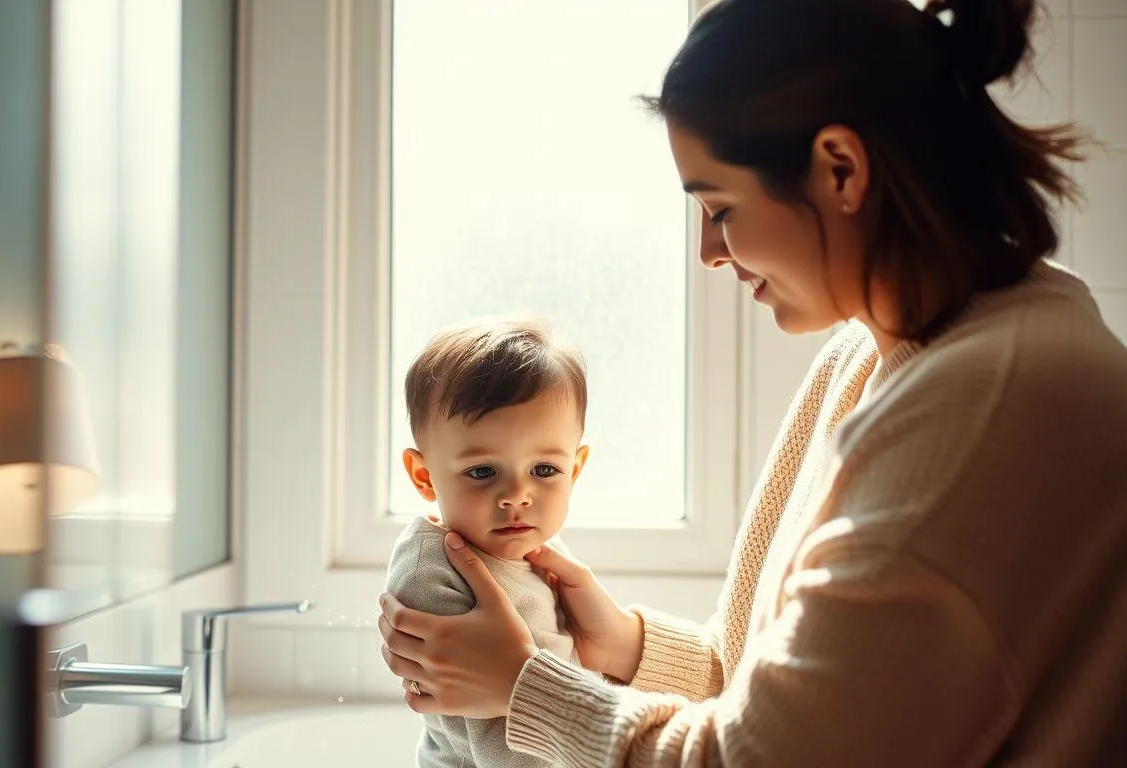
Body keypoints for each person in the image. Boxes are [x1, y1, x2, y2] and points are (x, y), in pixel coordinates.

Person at [377, 0, 1127, 764]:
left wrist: (527, 687)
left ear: (841, 168)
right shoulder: (870, 353)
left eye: (720, 207)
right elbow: (771, 692)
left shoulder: (993, 411)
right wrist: (623, 644)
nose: (708, 251)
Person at [385, 315, 593, 767]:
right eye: (482, 472)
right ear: (424, 476)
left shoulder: (536, 547)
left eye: (545, 470)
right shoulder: (433, 576)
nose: (517, 496)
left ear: (574, 470)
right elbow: (500, 742)